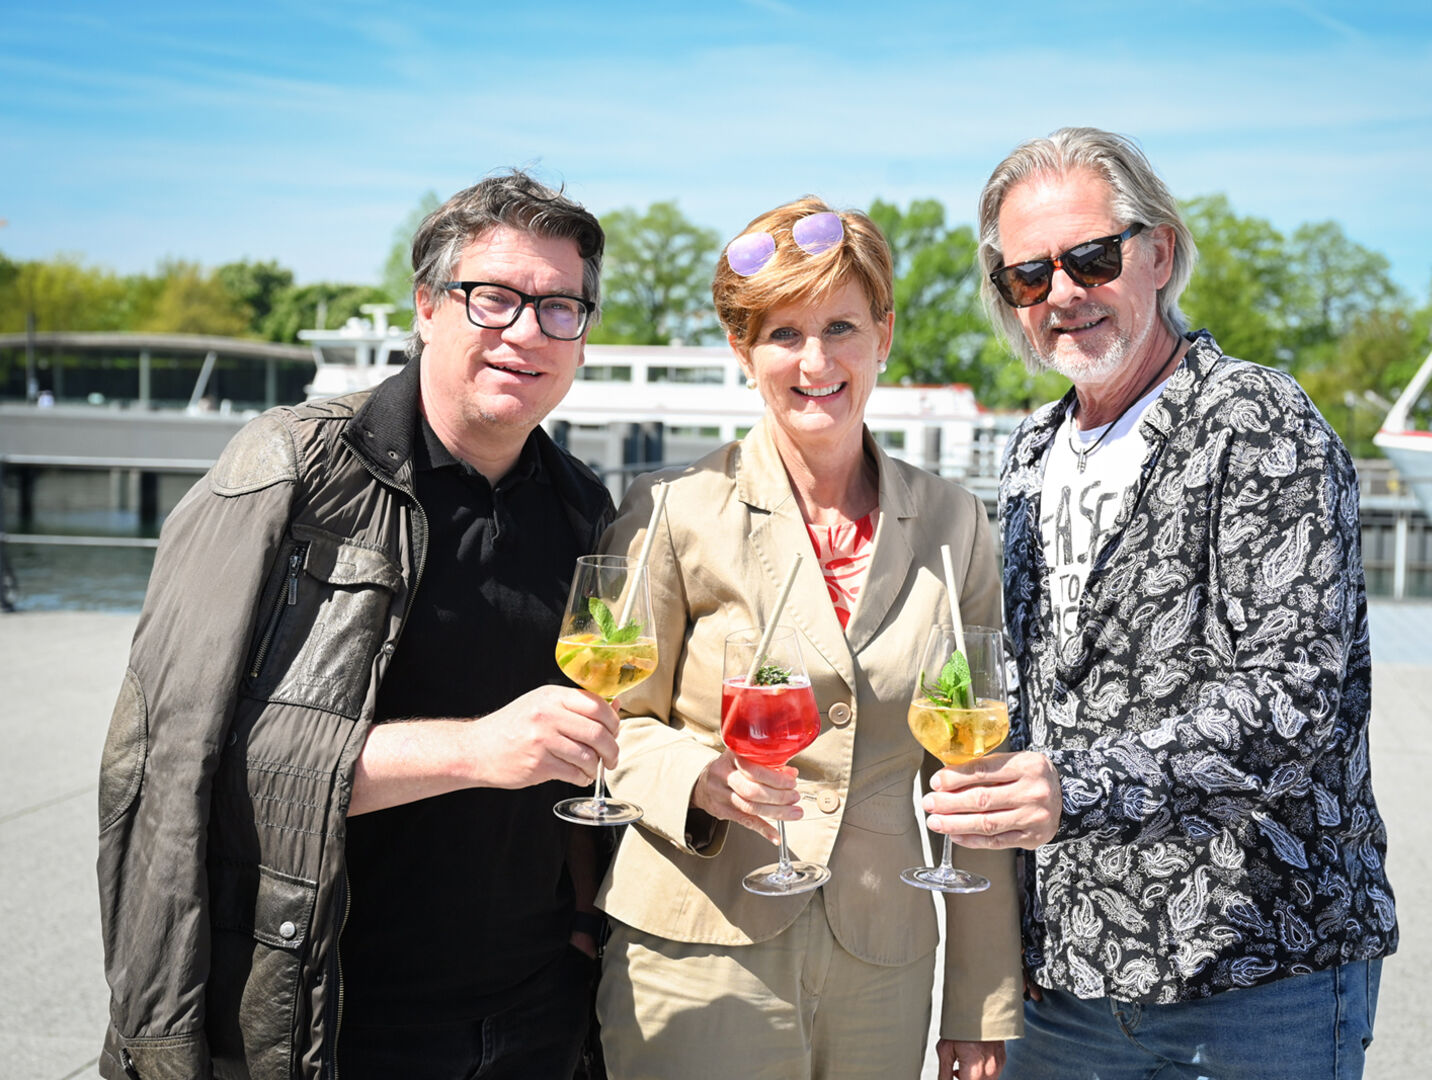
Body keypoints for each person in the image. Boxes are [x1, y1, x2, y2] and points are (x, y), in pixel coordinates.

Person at [96, 171, 621, 1080]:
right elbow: (175, 763)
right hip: (332, 1013)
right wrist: (473, 751)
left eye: (559, 308)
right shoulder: (289, 471)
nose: (526, 333)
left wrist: (583, 926)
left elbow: (583, 756)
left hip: (538, 1013)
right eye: (493, 299)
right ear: (426, 306)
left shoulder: (584, 508)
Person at [920, 128, 1399, 1079]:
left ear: (1160, 254)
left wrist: (1079, 786)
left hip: (1254, 976)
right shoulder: (1025, 455)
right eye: (1028, 276)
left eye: (1091, 258)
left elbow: (1290, 702)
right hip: (1064, 979)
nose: (1062, 295)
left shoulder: (1259, 424)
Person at [590, 197, 1022, 1080]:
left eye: (840, 327)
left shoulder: (954, 521)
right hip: (698, 947)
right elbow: (608, 728)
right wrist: (699, 779)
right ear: (743, 352)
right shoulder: (673, 510)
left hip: (884, 960)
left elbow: (973, 770)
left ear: (884, 335)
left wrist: (979, 1000)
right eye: (783, 334)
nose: (816, 361)